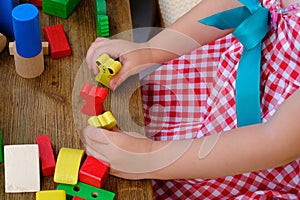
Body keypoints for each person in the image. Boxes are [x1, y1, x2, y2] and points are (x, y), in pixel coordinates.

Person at [84, 0, 300, 199]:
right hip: (224, 70)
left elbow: (273, 140)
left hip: (250, 152)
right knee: (138, 109)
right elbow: (241, 3)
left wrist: (149, 157)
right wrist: (150, 50)